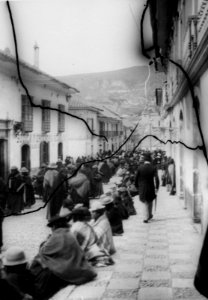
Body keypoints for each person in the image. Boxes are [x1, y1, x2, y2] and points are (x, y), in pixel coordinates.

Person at [30, 214, 97, 300]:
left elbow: (44, 251)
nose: (51, 229)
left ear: (54, 226)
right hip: (79, 265)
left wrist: (45, 242)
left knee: (39, 262)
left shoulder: (57, 235)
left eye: (51, 227)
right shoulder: (68, 232)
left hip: (70, 269)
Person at [135, 152, 159, 223]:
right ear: (150, 160)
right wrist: (157, 187)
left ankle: (146, 217)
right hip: (151, 187)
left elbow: (136, 179)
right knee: (150, 200)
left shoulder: (140, 167)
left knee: (144, 202)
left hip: (142, 188)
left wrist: (137, 187)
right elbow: (157, 179)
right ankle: (149, 215)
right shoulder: (153, 167)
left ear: (144, 160)